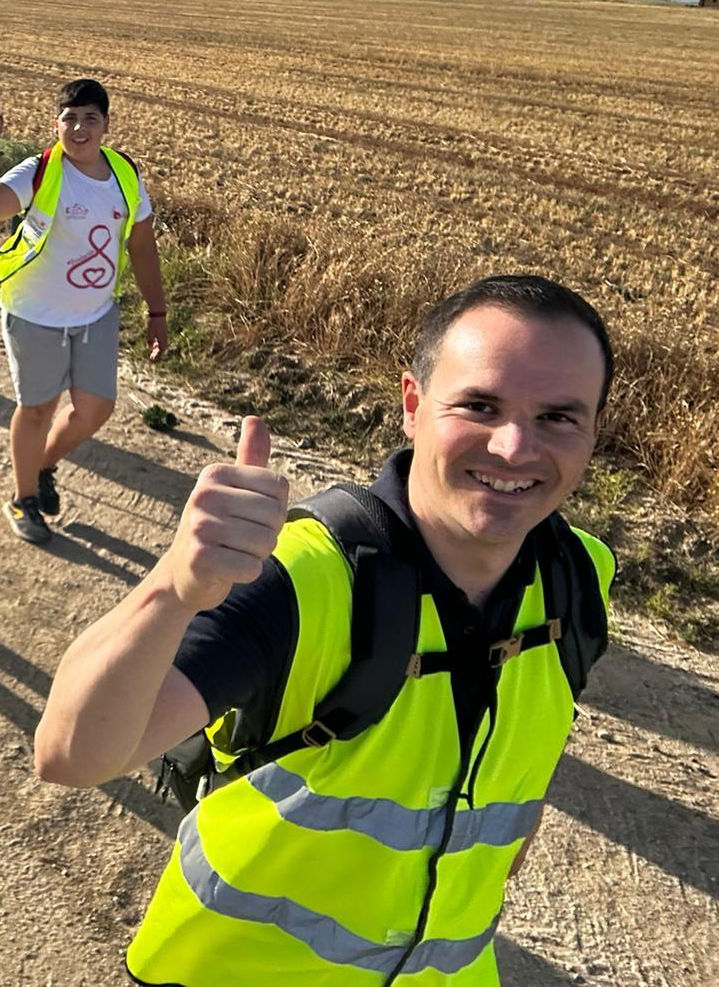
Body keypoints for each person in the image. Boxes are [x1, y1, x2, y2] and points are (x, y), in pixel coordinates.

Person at [35, 275, 617, 985]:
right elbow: (72, 755)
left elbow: (530, 757)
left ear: (593, 430)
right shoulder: (304, 576)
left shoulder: (580, 575)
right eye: (479, 405)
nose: (514, 445)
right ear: (412, 405)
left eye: (559, 417)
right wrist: (172, 588)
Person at [0, 80, 168, 544]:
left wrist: (158, 312)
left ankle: (44, 463)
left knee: (96, 408)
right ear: (56, 125)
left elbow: (141, 244)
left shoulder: (125, 175)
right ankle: (23, 497)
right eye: (70, 118)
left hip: (96, 314)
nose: (79, 127)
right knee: (37, 410)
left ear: (106, 126)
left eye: (90, 118)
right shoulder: (40, 171)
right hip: (35, 312)